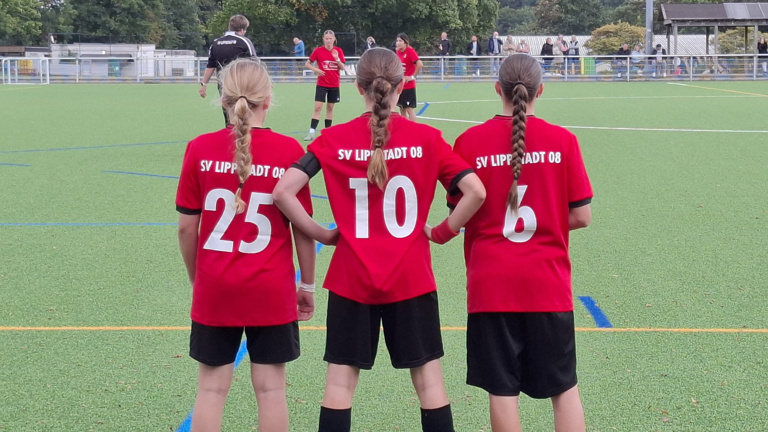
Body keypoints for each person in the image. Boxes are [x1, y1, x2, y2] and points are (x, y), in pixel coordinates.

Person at [272, 47, 486, 432]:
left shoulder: (332, 139)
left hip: (351, 278)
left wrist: (323, 234)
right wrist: (441, 232)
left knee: (340, 383)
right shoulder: (428, 138)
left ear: (358, 88)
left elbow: (284, 191)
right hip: (412, 277)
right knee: (429, 382)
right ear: (402, 86)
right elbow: (476, 192)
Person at [448, 53, 592, 432]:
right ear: (540, 90)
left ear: (498, 89)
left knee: (502, 390)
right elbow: (581, 215)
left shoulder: (468, 142)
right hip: (547, 283)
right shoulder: (563, 141)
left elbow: (461, 212)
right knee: (564, 390)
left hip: (491, 285)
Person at [176, 58, 317, 432]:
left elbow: (187, 230)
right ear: (267, 99)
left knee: (210, 389)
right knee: (271, 391)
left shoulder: (199, 149)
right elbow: (302, 230)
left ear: (224, 99)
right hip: (270, 289)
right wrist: (307, 285)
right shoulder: (290, 152)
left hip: (216, 285)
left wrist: (198, 279)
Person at [198, 15, 258, 125]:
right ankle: (244, 139)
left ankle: (229, 137)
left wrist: (203, 84)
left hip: (224, 85)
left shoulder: (216, 43)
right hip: (242, 85)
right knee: (245, 115)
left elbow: (210, 66)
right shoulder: (244, 41)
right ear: (242, 29)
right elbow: (255, 64)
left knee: (229, 116)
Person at [303, 30, 346, 141]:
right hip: (322, 84)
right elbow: (307, 64)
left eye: (330, 38)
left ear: (334, 39)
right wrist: (316, 69)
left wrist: (337, 59)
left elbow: (342, 67)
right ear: (323, 39)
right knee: (317, 107)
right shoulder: (318, 51)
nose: (328, 41)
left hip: (334, 84)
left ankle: (328, 132)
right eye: (326, 38)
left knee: (330, 107)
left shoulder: (338, 51)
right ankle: (311, 132)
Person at [395, 33, 423, 122]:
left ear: (405, 42)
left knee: (409, 108)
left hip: (408, 86)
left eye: (400, 41)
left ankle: (412, 129)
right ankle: (404, 128)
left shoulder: (410, 51)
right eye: (397, 40)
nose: (398, 43)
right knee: (402, 107)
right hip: (400, 85)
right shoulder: (398, 51)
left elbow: (420, 64)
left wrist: (412, 77)